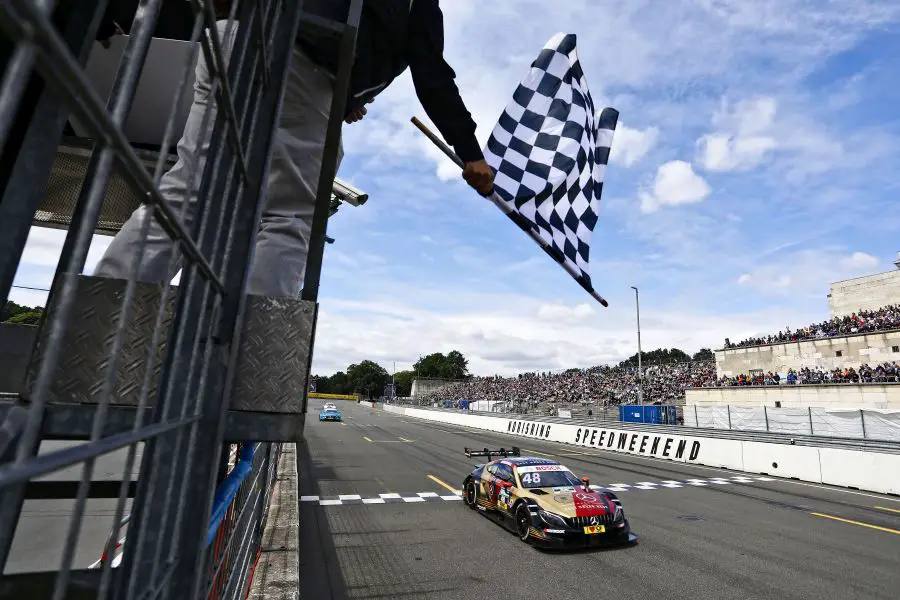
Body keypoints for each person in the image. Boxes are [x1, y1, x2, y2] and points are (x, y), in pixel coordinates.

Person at [93, 0, 494, 298]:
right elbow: (432, 75)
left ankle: (98, 314)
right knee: (288, 216)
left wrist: (349, 96)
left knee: (189, 190)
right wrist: (470, 152)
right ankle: (245, 350)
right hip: (306, 62)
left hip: (235, 37)